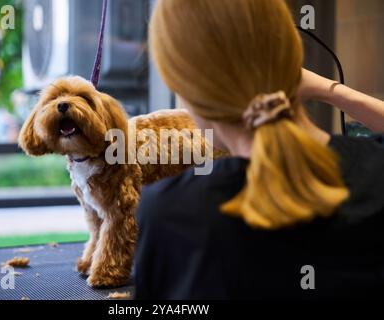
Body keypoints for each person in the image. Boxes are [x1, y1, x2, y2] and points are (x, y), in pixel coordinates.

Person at [134, 0, 384, 299]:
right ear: (292, 56)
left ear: (189, 91)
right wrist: (330, 89)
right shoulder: (377, 170)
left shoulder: (170, 213)